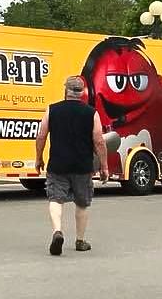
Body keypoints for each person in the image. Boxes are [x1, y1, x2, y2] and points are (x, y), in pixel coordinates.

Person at [34, 75, 109, 256]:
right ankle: (80, 241)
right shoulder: (92, 113)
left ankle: (57, 231)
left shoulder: (52, 110)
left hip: (58, 164)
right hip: (83, 166)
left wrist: (38, 158)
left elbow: (41, 135)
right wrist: (104, 166)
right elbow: (99, 141)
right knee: (82, 203)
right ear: (82, 93)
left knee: (55, 199)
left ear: (65, 90)